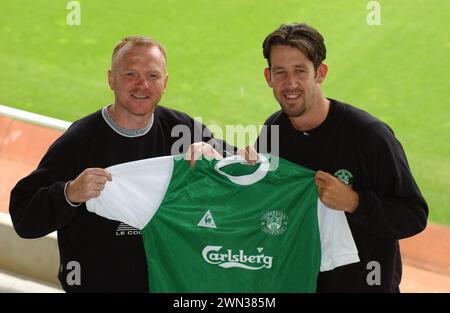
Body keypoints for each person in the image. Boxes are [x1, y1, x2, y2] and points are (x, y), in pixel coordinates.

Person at [9, 36, 224, 292]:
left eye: (153, 76)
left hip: (168, 286)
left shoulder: (182, 130)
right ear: (112, 79)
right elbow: (24, 218)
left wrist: (215, 152)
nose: (142, 84)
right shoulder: (81, 140)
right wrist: (70, 193)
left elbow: (235, 162)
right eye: (131, 74)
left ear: (165, 83)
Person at [238, 23, 428, 292]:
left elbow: (413, 215)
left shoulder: (370, 136)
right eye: (280, 72)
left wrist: (355, 202)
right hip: (298, 283)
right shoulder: (273, 130)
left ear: (321, 73)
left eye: (300, 71)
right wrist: (254, 179)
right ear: (268, 77)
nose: (290, 84)